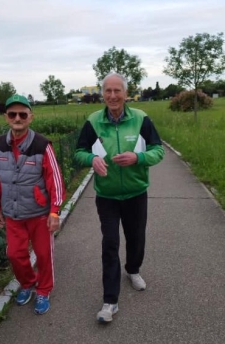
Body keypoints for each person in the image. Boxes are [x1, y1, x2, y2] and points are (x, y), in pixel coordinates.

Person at [75, 72, 164, 323]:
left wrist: (139, 158)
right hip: (107, 196)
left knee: (136, 238)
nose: (112, 96)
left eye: (117, 91)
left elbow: (158, 150)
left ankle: (133, 270)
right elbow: (79, 152)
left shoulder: (141, 119)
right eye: (108, 91)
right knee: (110, 243)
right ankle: (110, 301)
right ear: (102, 93)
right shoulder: (93, 121)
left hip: (136, 193)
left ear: (126, 93)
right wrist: (91, 159)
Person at [0, 94, 65, 315]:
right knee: (14, 254)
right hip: (12, 213)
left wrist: (54, 210)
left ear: (30, 117)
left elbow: (55, 179)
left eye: (23, 114)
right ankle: (27, 284)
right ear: (6, 117)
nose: (18, 118)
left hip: (39, 213)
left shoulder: (42, 145)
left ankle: (43, 290)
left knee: (43, 255)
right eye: (13, 114)